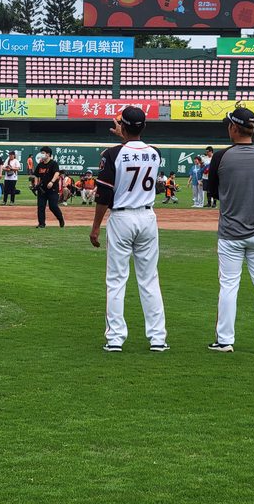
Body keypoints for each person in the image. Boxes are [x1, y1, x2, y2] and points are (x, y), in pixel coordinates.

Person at [89, 106, 169, 353]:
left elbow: (104, 195)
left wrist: (95, 227)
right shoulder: (154, 153)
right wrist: (125, 135)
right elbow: (136, 151)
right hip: (147, 217)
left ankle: (115, 338)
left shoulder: (112, 154)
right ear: (144, 126)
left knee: (116, 280)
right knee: (149, 279)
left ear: (122, 126)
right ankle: (157, 338)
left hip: (122, 218)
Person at [207, 107, 254, 353]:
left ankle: (225, 340)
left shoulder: (221, 157)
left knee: (229, 285)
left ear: (233, 127)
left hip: (231, 231)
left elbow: (212, 192)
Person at [33, 146, 65, 228]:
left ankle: (60, 219)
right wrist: (36, 184)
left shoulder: (53, 163)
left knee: (53, 206)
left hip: (52, 189)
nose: (41, 154)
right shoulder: (40, 164)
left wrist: (52, 182)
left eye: (43, 153)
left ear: (48, 154)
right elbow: (36, 175)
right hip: (42, 189)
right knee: (41, 206)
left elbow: (57, 173)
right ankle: (41, 224)